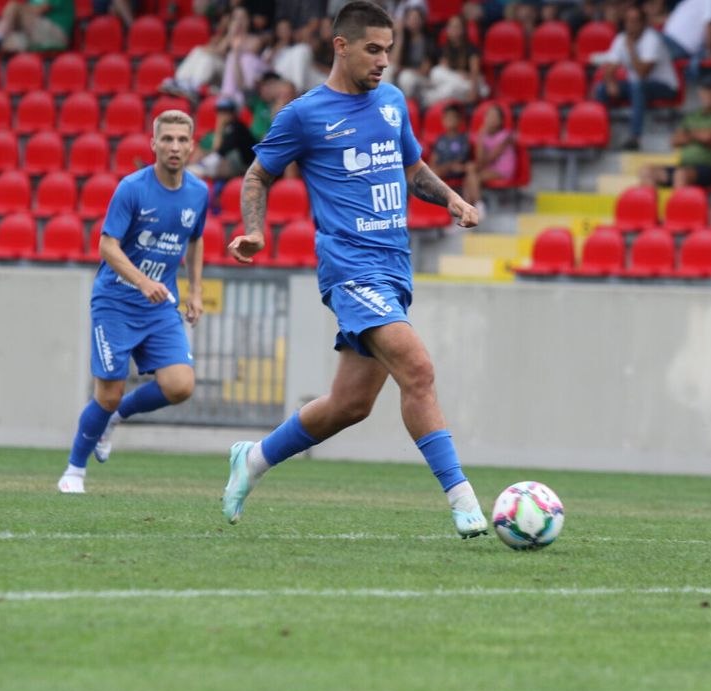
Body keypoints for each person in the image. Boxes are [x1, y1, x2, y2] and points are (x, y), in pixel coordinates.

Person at [220, 2, 488, 539]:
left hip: (394, 268)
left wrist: (453, 199)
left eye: (388, 49)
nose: (384, 60)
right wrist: (255, 230)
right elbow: (257, 175)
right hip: (350, 269)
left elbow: (412, 168)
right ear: (340, 47)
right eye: (373, 49)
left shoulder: (392, 102)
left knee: (350, 405)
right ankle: (465, 501)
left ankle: (253, 459)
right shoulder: (304, 114)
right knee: (418, 369)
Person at [57, 110, 208, 494]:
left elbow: (195, 239)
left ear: (192, 146)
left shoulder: (198, 193)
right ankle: (74, 470)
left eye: (182, 140)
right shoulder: (132, 189)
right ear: (153, 143)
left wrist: (195, 291)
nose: (174, 147)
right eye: (167, 139)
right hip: (116, 302)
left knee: (180, 385)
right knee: (107, 393)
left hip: (159, 306)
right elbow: (107, 246)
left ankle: (117, 417)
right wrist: (142, 281)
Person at [592, 5, 678, 151]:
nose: (631, 25)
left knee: (637, 85)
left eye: (635, 21)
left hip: (665, 86)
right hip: (636, 85)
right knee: (602, 88)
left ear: (643, 23)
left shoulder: (652, 39)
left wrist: (632, 49)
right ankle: (599, 135)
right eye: (628, 21)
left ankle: (634, 137)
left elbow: (642, 73)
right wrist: (611, 82)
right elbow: (609, 69)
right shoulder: (621, 39)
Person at [640, 75, 711, 189]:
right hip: (687, 167)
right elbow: (675, 141)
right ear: (700, 93)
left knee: (681, 175)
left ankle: (681, 201)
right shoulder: (692, 116)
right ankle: (651, 201)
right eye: (706, 91)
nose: (709, 95)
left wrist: (689, 135)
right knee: (647, 171)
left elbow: (709, 137)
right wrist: (700, 136)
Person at [421, 14, 486, 106]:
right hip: (453, 88)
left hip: (468, 84)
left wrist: (473, 92)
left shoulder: (471, 49)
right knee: (438, 75)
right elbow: (428, 70)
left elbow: (475, 72)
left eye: (457, 27)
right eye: (451, 27)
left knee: (438, 74)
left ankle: (428, 100)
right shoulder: (443, 49)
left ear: (463, 29)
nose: (453, 30)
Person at [189, 97, 257, 181]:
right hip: (238, 166)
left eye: (225, 112)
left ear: (233, 113)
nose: (221, 116)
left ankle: (203, 169)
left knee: (221, 163)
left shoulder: (238, 128)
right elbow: (217, 149)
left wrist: (205, 164)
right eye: (220, 112)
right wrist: (219, 126)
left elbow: (220, 152)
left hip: (248, 167)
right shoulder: (225, 128)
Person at [0, 0, 74, 53]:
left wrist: (16, 15)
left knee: (13, 6)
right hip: (35, 33)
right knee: (3, 41)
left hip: (55, 33)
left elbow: (38, 11)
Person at [429, 105, 477, 204]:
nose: (450, 120)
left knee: (471, 168)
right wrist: (442, 167)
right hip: (444, 169)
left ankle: (474, 204)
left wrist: (454, 166)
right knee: (430, 171)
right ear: (443, 121)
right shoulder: (440, 139)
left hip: (460, 170)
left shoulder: (463, 139)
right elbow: (433, 160)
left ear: (459, 120)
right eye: (447, 118)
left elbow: (461, 159)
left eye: (453, 117)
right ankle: (435, 203)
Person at [387, 6, 432, 99]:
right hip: (401, 76)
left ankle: (406, 104)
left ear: (422, 20)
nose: (413, 21)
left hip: (420, 79)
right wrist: (400, 35)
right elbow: (393, 62)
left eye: (416, 18)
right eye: (410, 18)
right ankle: (384, 101)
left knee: (406, 77)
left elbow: (425, 70)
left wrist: (403, 70)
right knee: (387, 70)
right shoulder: (403, 39)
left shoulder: (427, 40)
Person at [661, 0, 711, 65]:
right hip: (668, 41)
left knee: (653, 41)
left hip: (679, 45)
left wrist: (709, 51)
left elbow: (710, 24)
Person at [473, 104, 516, 198]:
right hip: (490, 168)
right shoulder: (484, 135)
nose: (490, 119)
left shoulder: (506, 137)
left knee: (475, 177)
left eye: (494, 116)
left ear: (501, 121)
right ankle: (471, 204)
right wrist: (481, 136)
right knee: (469, 176)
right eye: (488, 116)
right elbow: (479, 159)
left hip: (503, 170)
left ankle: (477, 204)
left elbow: (489, 159)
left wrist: (481, 135)